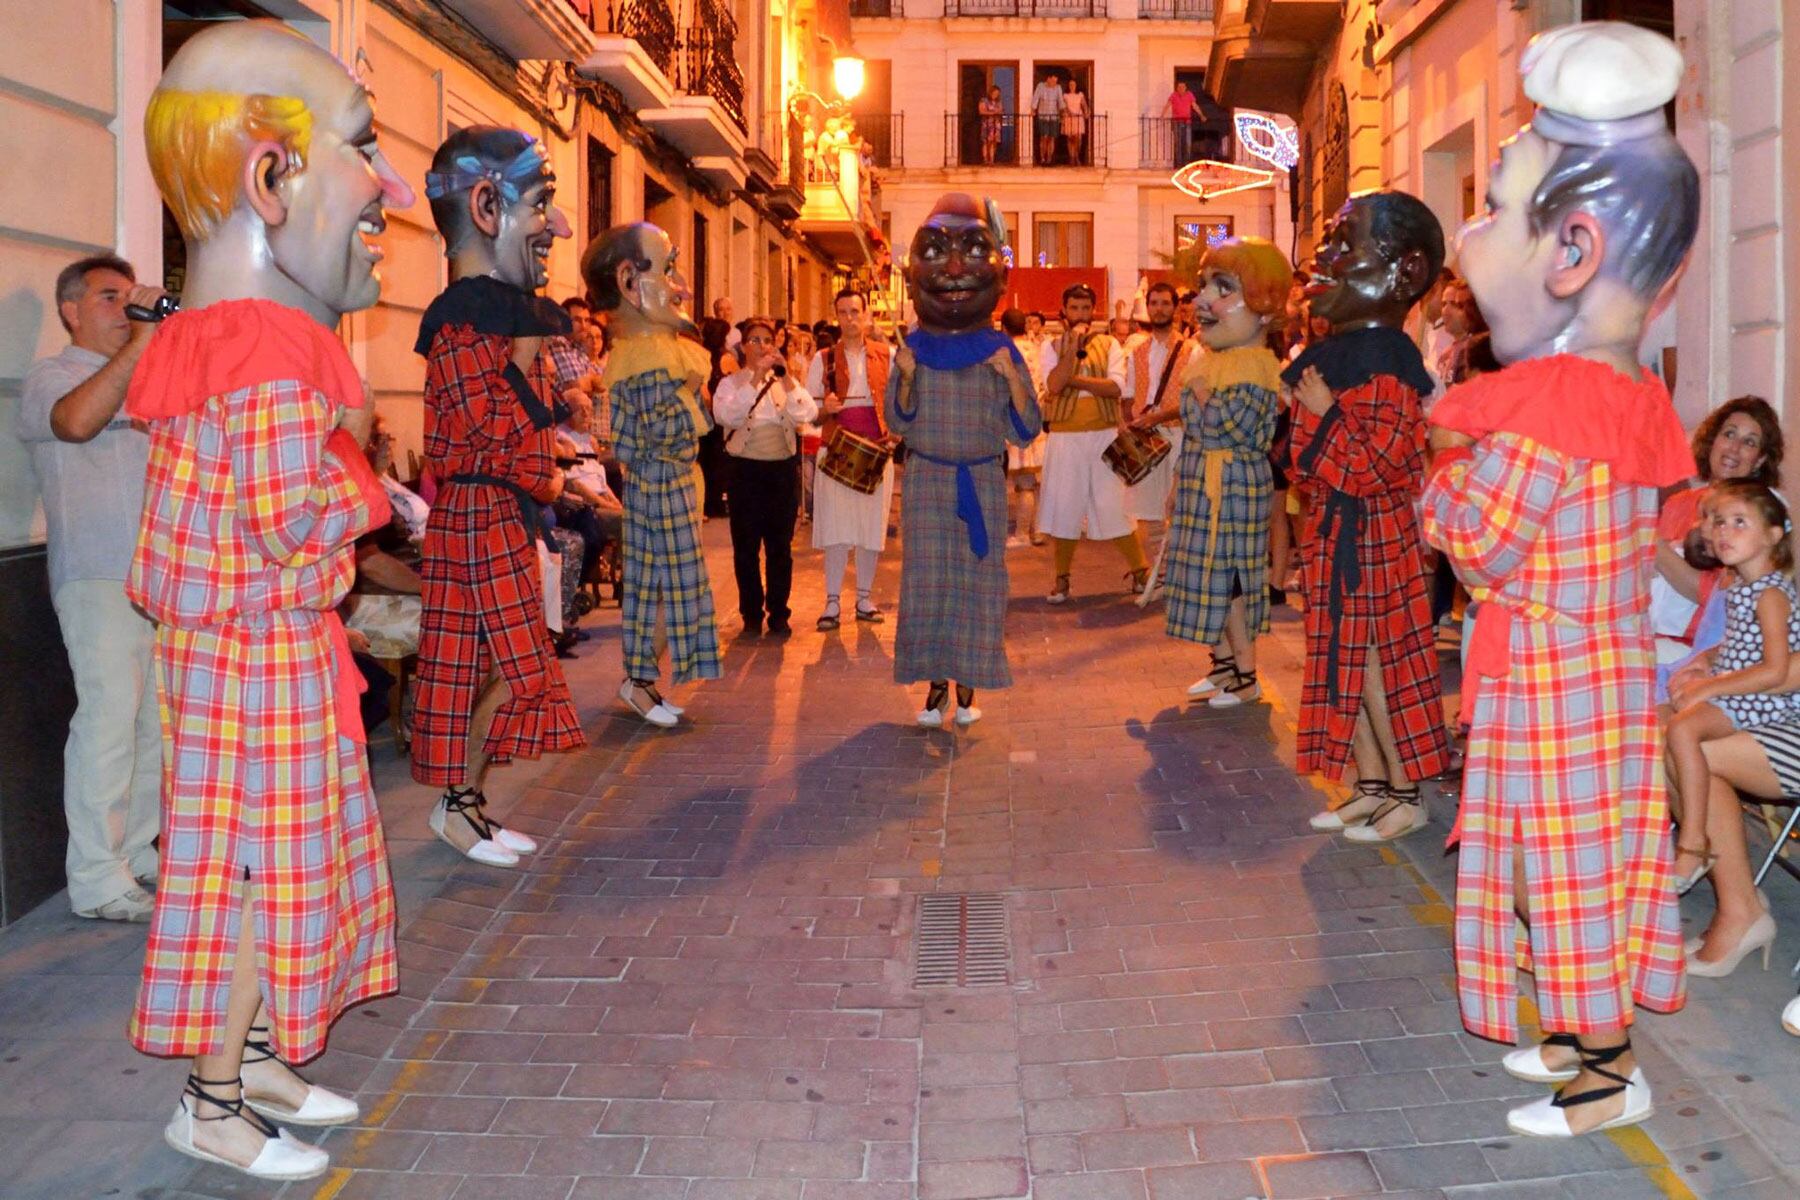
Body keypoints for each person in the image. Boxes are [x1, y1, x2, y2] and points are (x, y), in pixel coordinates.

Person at [125, 20, 414, 1179]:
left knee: (277, 862)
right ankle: (211, 1101)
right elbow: (292, 512)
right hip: (255, 653)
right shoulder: (266, 347)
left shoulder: (229, 338)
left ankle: (252, 1063)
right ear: (273, 177)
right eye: (363, 150)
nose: (389, 191)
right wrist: (364, 494)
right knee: (256, 872)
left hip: (247, 648)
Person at [1421, 20, 1700, 1138]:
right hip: (1601, 665)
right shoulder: (1629, 392)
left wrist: (1439, 489)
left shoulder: (1552, 407)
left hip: (1553, 674)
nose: (1472, 234)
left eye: (1491, 207)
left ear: (1573, 252)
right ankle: (1584, 1036)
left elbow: (1477, 540)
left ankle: (1609, 1075)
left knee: (1565, 870)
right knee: (1591, 859)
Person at [410, 125, 583, 867]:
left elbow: (518, 423)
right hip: (478, 514)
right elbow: (478, 423)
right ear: (486, 205)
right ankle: (456, 808)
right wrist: (520, 362)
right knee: (496, 668)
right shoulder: (462, 316)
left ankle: (465, 805)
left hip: (501, 514)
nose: (558, 227)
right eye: (541, 203)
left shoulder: (493, 312)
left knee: (491, 667)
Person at [1290, 189, 1452, 840]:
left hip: (1378, 539)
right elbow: (1303, 462)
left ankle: (1406, 793)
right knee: (1336, 661)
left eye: (1344, 242)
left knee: (1384, 665)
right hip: (1332, 534)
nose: (1323, 256)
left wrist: (1327, 416)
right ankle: (1370, 782)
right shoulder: (1332, 359)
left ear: (1405, 273)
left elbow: (1368, 467)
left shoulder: (1390, 365)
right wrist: (1322, 432)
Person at [16, 254, 164, 923]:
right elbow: (75, 423)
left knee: (154, 728)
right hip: (97, 572)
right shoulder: (53, 374)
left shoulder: (142, 377)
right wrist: (142, 342)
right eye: (110, 297)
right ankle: (98, 878)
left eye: (132, 297)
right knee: (108, 722)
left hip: (158, 577)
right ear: (71, 309)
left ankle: (137, 853)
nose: (126, 308)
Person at [888, 194, 1043, 726]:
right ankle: (934, 689)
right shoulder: (912, 347)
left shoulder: (1002, 350)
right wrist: (906, 378)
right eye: (937, 253)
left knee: (978, 585)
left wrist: (1012, 383)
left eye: (972, 252)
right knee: (928, 584)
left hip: (980, 480)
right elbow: (897, 423)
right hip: (928, 482)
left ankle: (968, 688)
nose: (954, 271)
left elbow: (1026, 427)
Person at [1139, 241, 1288, 708]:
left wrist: (1203, 399)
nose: (1203, 300)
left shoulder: (1257, 367)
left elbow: (1233, 430)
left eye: (1222, 289)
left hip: (1236, 487)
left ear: (1264, 307)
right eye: (1205, 286)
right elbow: (1200, 434)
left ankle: (1246, 676)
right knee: (1208, 578)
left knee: (1234, 582)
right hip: (1203, 482)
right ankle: (1223, 667)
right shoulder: (1214, 361)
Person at [585, 222, 721, 727]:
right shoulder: (645, 359)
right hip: (658, 483)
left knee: (671, 587)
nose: (682, 285)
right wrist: (687, 392)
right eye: (668, 269)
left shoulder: (657, 353)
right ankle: (638, 681)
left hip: (673, 482)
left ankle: (642, 680)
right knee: (663, 586)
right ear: (627, 282)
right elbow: (665, 431)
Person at [1663, 483, 1800, 892]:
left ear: (1773, 536)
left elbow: (1775, 670)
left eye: (1740, 523)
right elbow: (1745, 646)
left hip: (1764, 704)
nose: (1724, 532)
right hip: (1745, 694)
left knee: (1683, 730)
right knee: (1667, 722)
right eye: (1720, 522)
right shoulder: (1745, 588)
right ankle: (1686, 840)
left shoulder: (1771, 593)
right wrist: (1705, 664)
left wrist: (1712, 688)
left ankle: (1692, 842)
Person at [1038, 283, 1147, 603]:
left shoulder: (1110, 343)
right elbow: (1052, 384)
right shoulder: (1052, 345)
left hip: (1103, 433)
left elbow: (1115, 388)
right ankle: (1061, 580)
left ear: (1094, 312)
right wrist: (1071, 351)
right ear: (1064, 311)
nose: (1081, 315)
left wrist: (1071, 379)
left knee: (1115, 504)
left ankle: (1141, 572)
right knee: (1064, 506)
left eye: (1086, 309)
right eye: (1075, 308)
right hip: (1064, 436)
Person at [713, 317, 818, 636]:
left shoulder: (785, 381)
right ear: (743, 346)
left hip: (780, 471)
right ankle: (750, 612)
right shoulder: (730, 384)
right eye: (754, 340)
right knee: (745, 546)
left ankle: (779, 611)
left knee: (779, 547)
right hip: (745, 471)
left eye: (767, 340)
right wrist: (754, 378)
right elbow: (726, 415)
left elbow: (807, 414)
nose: (762, 346)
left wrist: (785, 380)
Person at [805, 289, 895, 630]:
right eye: (843, 312)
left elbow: (901, 403)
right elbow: (807, 410)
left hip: (876, 449)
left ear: (867, 314)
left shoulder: (888, 354)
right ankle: (831, 601)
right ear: (836, 316)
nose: (850, 318)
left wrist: (897, 430)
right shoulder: (823, 359)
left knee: (871, 527)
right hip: (837, 449)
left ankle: (864, 597)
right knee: (837, 527)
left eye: (855, 311)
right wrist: (821, 408)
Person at [1121, 281, 1199, 530]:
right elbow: (1129, 396)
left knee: (1180, 510)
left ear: (1175, 309)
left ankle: (1173, 567)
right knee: (1148, 512)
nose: (1159, 309)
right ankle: (1158, 568)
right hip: (1147, 438)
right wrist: (1129, 426)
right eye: (1154, 303)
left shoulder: (1192, 350)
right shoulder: (1137, 352)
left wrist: (1160, 416)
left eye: (1166, 303)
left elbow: (1196, 402)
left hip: (1180, 435)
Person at [1000, 307, 1047, 547]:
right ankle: (1037, 531)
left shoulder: (1008, 352)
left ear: (1004, 328)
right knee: (1034, 483)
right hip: (1037, 422)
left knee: (1025, 484)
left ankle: (1021, 534)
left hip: (1018, 423)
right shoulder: (1037, 349)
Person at [1030, 72, 1064, 166]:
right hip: (1043, 116)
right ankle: (1042, 158)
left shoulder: (1058, 88)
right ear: (1048, 79)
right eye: (1053, 81)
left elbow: (1060, 101)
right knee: (1044, 137)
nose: (1054, 83)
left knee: (1051, 138)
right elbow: (1036, 98)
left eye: (1055, 82)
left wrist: (1063, 113)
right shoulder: (1041, 86)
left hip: (1054, 116)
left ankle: (1049, 158)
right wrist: (1033, 110)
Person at [1162, 80, 1197, 166]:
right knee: (1178, 143)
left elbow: (1195, 106)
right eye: (1179, 87)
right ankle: (1179, 163)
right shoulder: (1174, 95)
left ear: (1185, 88)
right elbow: (1168, 104)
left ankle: (1187, 163)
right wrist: (1162, 115)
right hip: (1177, 122)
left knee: (1188, 143)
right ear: (1177, 88)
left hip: (1187, 122)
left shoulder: (1189, 95)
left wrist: (1202, 115)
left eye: (1182, 87)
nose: (1181, 89)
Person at [1061, 77, 1088, 166]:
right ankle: (1071, 157)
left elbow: (1084, 105)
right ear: (1068, 86)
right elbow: (1064, 107)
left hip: (1078, 118)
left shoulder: (1080, 95)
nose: (1072, 86)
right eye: (1070, 85)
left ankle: (1077, 156)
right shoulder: (1065, 95)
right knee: (1070, 139)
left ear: (1076, 86)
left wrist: (1086, 112)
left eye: (1073, 84)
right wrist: (1068, 113)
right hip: (1069, 118)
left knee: (1078, 139)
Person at [979, 85, 1004, 166]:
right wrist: (992, 113)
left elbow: (1001, 111)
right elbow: (981, 111)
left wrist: (997, 112)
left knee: (993, 142)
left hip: (995, 124)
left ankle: (992, 160)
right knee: (986, 142)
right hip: (987, 124)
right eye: (995, 93)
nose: (996, 95)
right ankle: (985, 159)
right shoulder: (984, 100)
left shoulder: (998, 102)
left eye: (997, 94)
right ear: (991, 92)